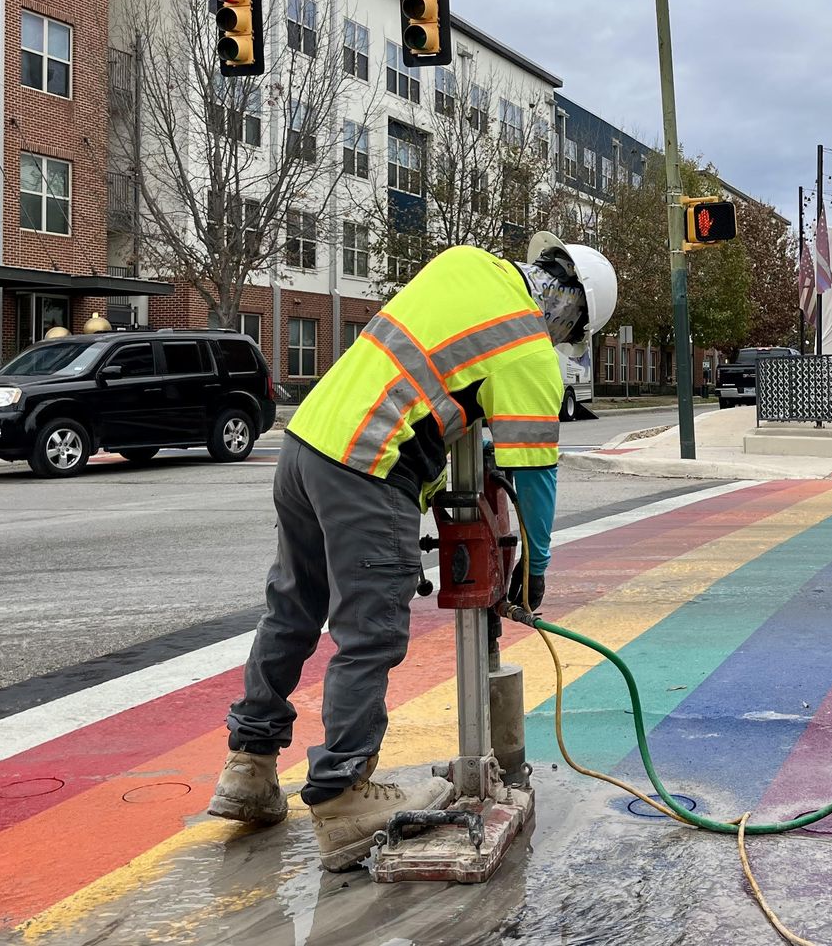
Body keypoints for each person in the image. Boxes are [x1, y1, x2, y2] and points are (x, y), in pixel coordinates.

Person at [206, 231, 616, 872]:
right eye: (571, 332)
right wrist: (533, 574)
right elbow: (534, 476)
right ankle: (343, 796)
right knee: (369, 635)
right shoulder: (531, 354)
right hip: (370, 466)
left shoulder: (464, 265)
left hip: (307, 443)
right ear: (571, 309)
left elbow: (439, 374)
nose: (562, 341)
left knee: (294, 607)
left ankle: (249, 768)